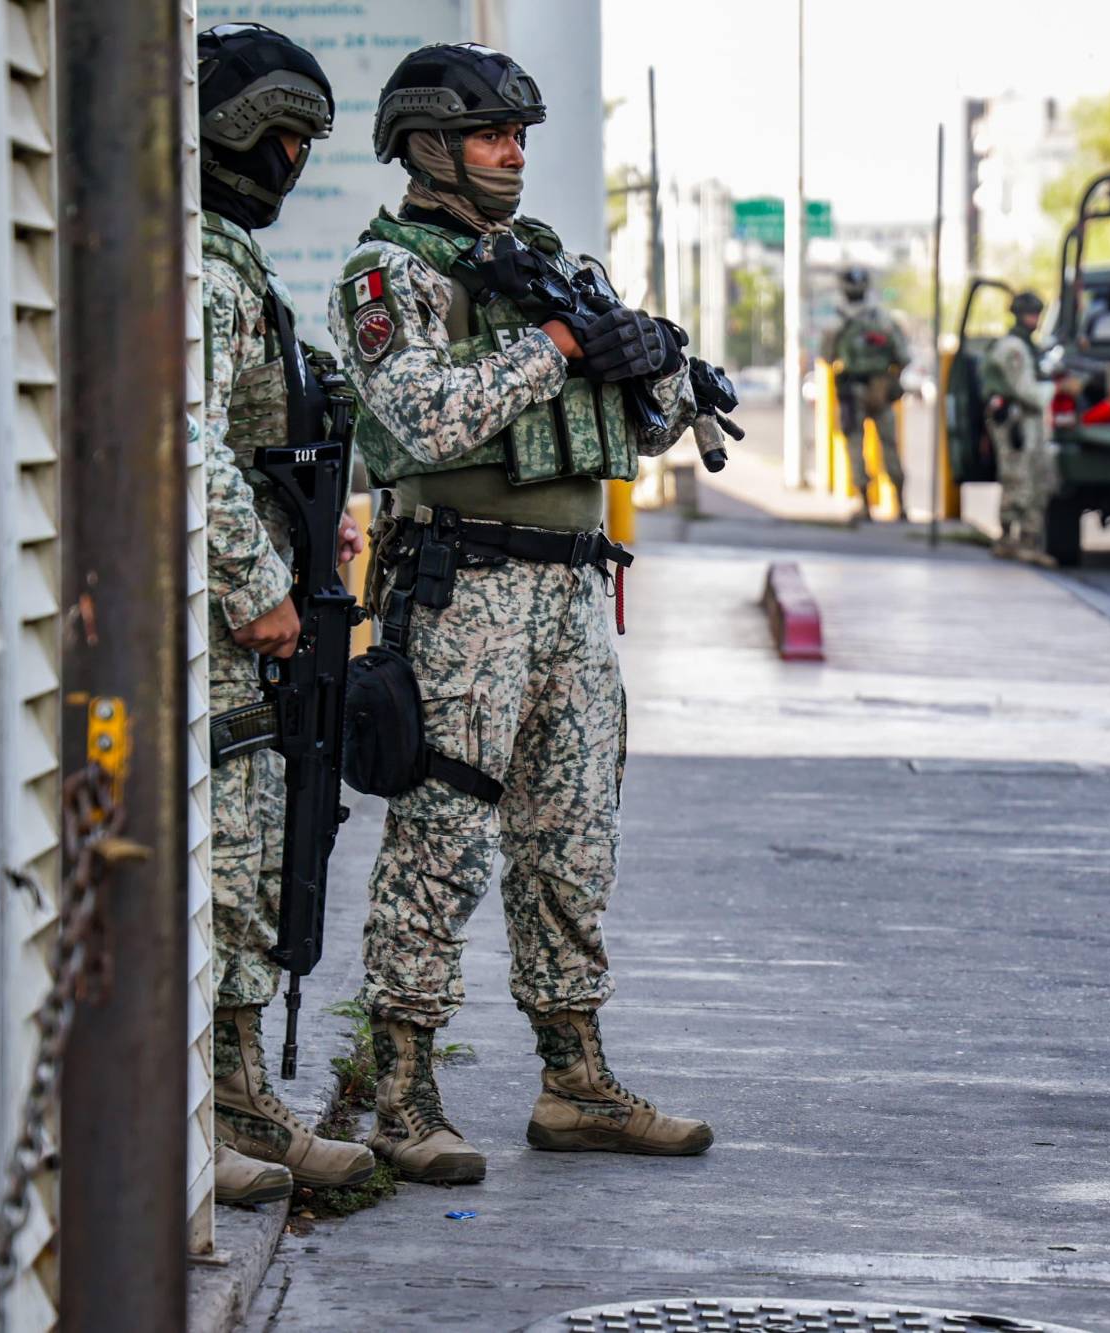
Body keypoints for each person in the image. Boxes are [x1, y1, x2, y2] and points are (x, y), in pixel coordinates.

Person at [330, 41, 714, 1185]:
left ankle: (574, 1079)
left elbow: (645, 435)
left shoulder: (553, 263)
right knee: (440, 840)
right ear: (428, 144)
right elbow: (422, 415)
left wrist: (653, 365)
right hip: (464, 587)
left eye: (519, 137)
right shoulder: (384, 274)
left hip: (571, 588)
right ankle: (400, 1093)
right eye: (493, 134)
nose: (512, 155)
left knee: (570, 840)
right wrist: (553, 347)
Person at [196, 22, 376, 1206]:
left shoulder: (231, 265)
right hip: (222, 627)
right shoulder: (202, 273)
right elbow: (187, 437)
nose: (299, 166)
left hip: (260, 627)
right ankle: (200, 1115)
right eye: (289, 141)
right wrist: (256, 584)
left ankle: (245, 1101)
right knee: (222, 874)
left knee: (264, 862)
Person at [978, 290, 1068, 566]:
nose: (1034, 319)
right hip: (1015, 422)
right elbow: (1027, 391)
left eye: (1037, 314)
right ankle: (1008, 539)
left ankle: (1028, 540)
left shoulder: (1028, 347)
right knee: (1018, 478)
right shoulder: (1013, 348)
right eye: (1030, 313)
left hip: (1030, 422)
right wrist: (1059, 388)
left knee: (1038, 478)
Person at [821, 266, 911, 520]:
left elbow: (827, 359)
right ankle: (901, 505)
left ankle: (864, 505)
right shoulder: (884, 320)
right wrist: (890, 381)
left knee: (854, 446)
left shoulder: (835, 324)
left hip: (852, 391)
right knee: (890, 447)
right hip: (881, 391)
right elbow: (903, 357)